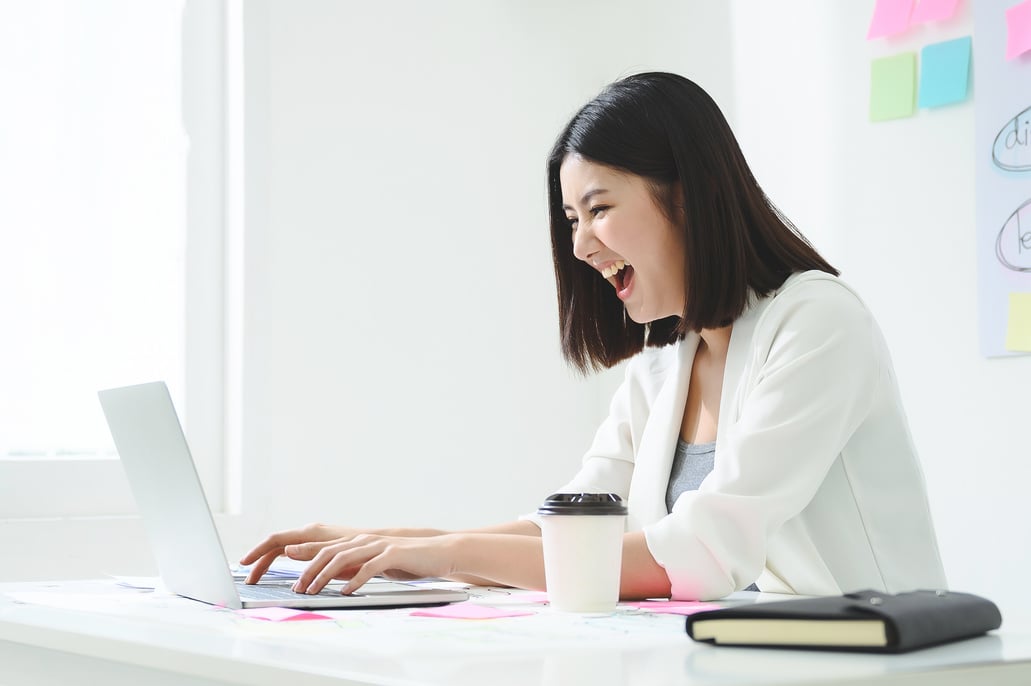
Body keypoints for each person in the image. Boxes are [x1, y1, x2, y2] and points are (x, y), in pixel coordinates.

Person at [240, 72, 947, 601]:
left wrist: (444, 554)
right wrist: (394, 543)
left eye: (598, 209)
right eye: (571, 220)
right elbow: (578, 526)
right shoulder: (665, 362)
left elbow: (701, 552)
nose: (579, 245)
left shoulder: (817, 323)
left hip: (869, 665)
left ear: (686, 195)